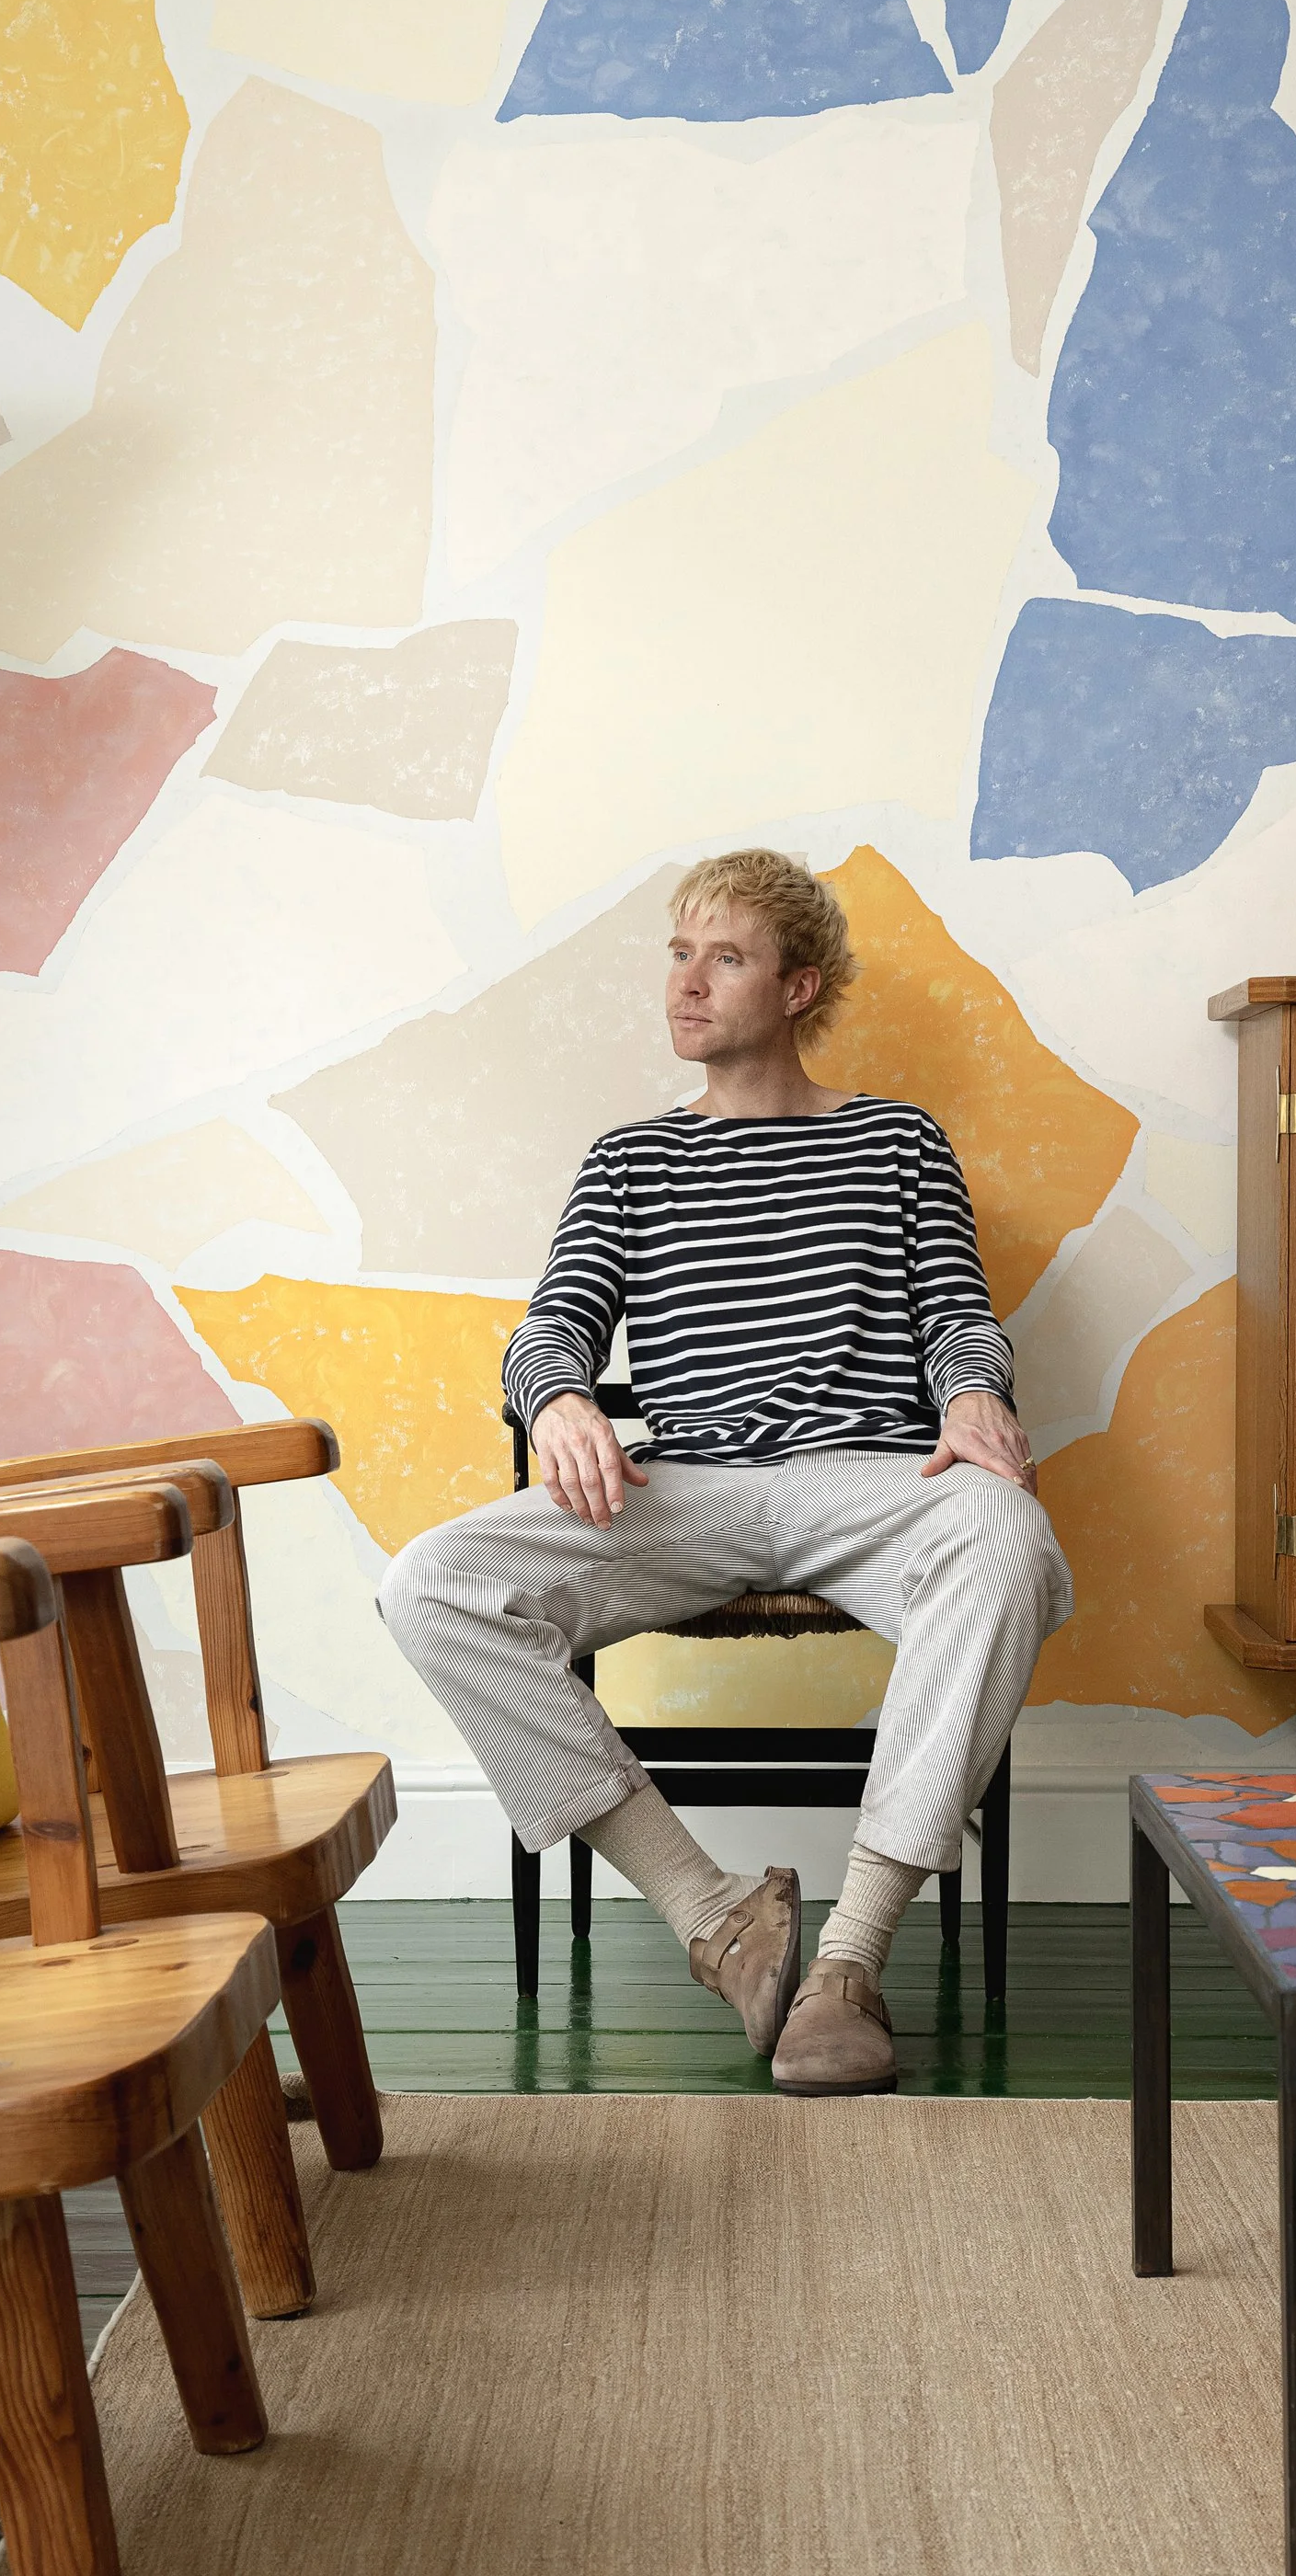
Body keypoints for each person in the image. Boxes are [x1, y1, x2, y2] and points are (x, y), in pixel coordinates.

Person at [381, 850, 1071, 2093]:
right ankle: (715, 1919)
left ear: (799, 987)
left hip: (870, 1483)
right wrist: (561, 1399)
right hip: (686, 1491)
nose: (686, 983)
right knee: (430, 1584)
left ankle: (849, 1961)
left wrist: (975, 1394)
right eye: (678, 954)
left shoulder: (900, 1142)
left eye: (726, 957)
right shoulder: (630, 1159)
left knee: (1010, 1538)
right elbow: (551, 1328)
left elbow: (958, 1317)